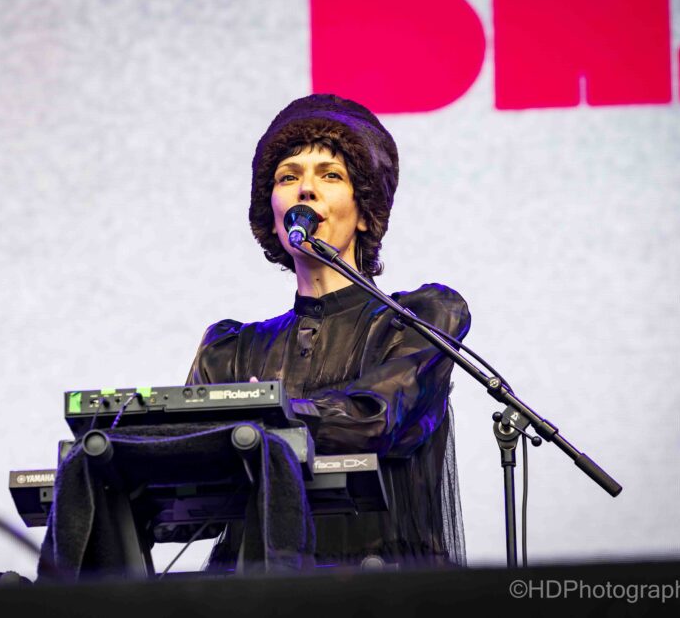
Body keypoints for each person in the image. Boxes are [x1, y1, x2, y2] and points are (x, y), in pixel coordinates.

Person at [187, 93, 470, 569]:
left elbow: (372, 420)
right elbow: (192, 484)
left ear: (366, 211)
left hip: (386, 589)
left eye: (330, 175)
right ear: (271, 213)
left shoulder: (419, 322)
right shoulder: (229, 351)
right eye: (288, 176)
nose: (305, 188)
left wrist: (269, 417)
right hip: (250, 592)